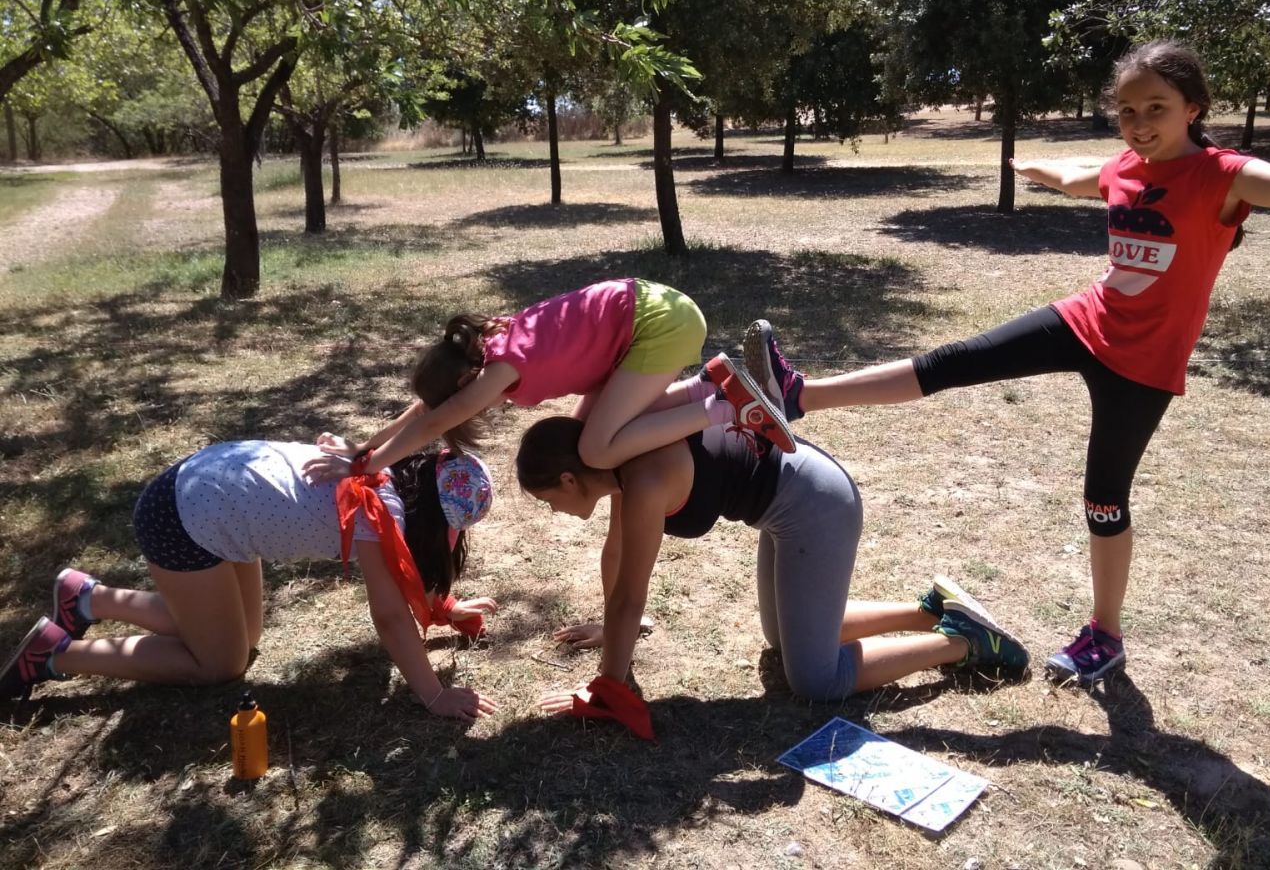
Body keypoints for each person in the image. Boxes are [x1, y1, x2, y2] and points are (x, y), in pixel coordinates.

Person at [742, 39, 1270, 686]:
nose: (1138, 123)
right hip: (1086, 321)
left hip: (1143, 363)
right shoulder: (1124, 167)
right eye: (1127, 110)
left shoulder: (1225, 175)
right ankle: (798, 395)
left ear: (1192, 108)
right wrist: (1034, 167)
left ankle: (1104, 634)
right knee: (953, 361)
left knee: (1103, 500)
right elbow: (1080, 177)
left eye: (1155, 108)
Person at [515, 389, 1028, 738]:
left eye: (546, 500)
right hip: (791, 503)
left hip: (816, 506)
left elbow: (632, 596)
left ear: (568, 480)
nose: (552, 510)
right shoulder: (618, 459)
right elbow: (617, 554)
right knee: (782, 640)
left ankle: (964, 641)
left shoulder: (642, 480)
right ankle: (930, 612)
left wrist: (606, 689)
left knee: (816, 680)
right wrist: (611, 632)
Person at [1, 440, 499, 720]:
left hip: (211, 499)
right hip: (182, 520)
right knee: (221, 663)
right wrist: (433, 694)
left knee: (243, 636)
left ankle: (88, 598)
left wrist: (443, 608)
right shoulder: (377, 514)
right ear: (432, 522)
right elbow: (389, 616)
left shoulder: (384, 468)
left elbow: (404, 576)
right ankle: (54, 654)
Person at [303, 279, 793, 486]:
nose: (475, 408)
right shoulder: (486, 348)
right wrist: (363, 448)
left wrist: (364, 469)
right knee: (586, 437)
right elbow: (429, 411)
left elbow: (437, 420)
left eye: (467, 401)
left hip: (659, 325)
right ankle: (710, 385)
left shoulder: (499, 368)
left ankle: (729, 407)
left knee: (597, 450)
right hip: (653, 312)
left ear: (467, 381)